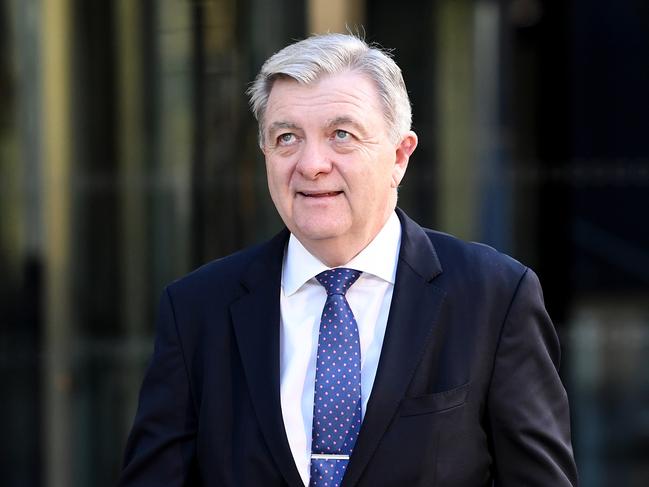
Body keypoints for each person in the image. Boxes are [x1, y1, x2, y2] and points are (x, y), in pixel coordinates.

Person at [119, 33, 578, 486]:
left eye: (341, 135)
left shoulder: (492, 297)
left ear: (400, 155)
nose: (311, 163)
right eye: (286, 138)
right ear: (265, 155)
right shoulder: (197, 309)